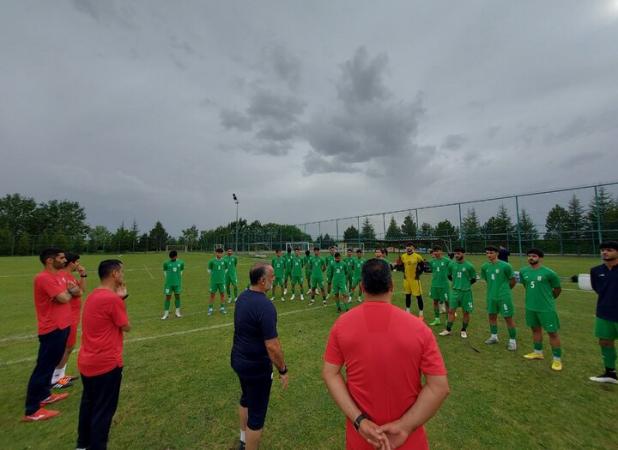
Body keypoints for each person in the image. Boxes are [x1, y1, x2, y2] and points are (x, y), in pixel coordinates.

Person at [322, 259, 449, 450]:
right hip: (408, 442)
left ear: (363, 287)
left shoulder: (342, 325)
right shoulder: (419, 329)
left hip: (363, 440)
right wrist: (405, 427)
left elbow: (330, 373)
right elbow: (439, 387)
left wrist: (360, 421)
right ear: (391, 285)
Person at [231, 263, 288, 450]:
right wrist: (283, 369)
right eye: (272, 276)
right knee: (256, 416)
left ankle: (243, 440)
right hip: (256, 368)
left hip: (238, 360)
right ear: (262, 281)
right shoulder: (265, 306)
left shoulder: (242, 297)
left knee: (246, 398)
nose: (274, 279)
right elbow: (272, 346)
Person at [76, 259, 130, 450]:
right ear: (114, 274)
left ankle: (82, 445)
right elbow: (126, 326)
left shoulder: (93, 295)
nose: (123, 275)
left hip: (87, 362)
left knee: (88, 406)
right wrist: (122, 299)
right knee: (103, 411)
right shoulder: (112, 299)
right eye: (121, 272)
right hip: (106, 364)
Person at [22, 248, 81, 422]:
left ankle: (45, 395)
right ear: (49, 260)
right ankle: (32, 410)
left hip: (63, 325)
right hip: (51, 328)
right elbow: (63, 298)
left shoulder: (60, 276)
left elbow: (76, 292)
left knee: (52, 364)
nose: (65, 260)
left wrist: (69, 292)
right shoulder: (43, 278)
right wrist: (69, 292)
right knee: (43, 368)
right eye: (61, 258)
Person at [519, 249, 563, 371]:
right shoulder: (523, 271)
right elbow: (526, 285)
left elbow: (557, 289)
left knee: (552, 333)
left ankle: (557, 360)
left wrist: (549, 299)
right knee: (535, 329)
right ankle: (538, 352)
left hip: (546, 308)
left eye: (534, 256)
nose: (531, 258)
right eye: (529, 256)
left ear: (540, 258)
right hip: (530, 306)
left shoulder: (549, 273)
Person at [52, 252, 88, 388]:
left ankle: (60, 375)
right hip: (67, 317)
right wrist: (76, 290)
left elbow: (82, 289)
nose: (78, 265)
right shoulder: (63, 277)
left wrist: (83, 275)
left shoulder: (71, 277)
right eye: (77, 262)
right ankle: (56, 379)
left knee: (68, 346)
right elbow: (78, 292)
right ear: (72, 263)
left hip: (73, 316)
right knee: (67, 347)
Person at [589, 241, 618, 384]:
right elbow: (598, 290)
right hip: (604, 313)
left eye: (609, 250)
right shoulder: (595, 271)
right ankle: (610, 373)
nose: (604, 252)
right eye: (602, 250)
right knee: (605, 342)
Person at [480, 246, 518, 351]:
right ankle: (494, 336)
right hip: (491, 296)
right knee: (492, 316)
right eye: (487, 253)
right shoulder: (484, 267)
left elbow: (513, 281)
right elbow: (488, 280)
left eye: (491, 253)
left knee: (508, 318)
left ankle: (512, 341)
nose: (489, 255)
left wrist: (505, 290)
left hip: (503, 296)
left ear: (497, 253)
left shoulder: (506, 266)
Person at [439, 248, 476, 338]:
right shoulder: (451, 264)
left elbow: (473, 279)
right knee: (451, 311)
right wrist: (456, 283)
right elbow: (449, 275)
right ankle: (448, 329)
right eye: (455, 254)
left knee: (466, 312)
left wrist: (465, 285)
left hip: (466, 292)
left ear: (463, 254)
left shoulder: (469, 266)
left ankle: (463, 330)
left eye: (458, 254)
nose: (456, 255)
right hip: (454, 291)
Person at [427, 246, 452, 326]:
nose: (435, 253)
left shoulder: (447, 261)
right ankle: (437, 319)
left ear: (441, 251)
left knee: (447, 302)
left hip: (444, 285)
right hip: (434, 285)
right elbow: (432, 271)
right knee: (435, 302)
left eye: (437, 251)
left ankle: (448, 319)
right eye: (434, 251)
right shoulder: (432, 262)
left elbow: (452, 271)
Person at [400, 243, 425, 318]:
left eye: (410, 248)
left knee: (418, 296)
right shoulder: (403, 256)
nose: (408, 249)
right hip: (406, 279)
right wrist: (402, 270)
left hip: (415, 280)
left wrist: (419, 273)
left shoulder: (417, 256)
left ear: (413, 248)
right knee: (407, 295)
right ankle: (407, 311)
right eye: (407, 248)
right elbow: (401, 266)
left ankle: (421, 313)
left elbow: (422, 265)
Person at [162, 250, 184, 320]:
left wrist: (177, 278)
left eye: (173, 257)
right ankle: (166, 314)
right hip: (169, 284)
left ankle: (177, 312)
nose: (172, 259)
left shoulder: (181, 263)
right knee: (168, 297)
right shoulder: (166, 263)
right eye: (171, 258)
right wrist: (169, 278)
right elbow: (165, 271)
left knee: (177, 296)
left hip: (177, 284)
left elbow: (181, 271)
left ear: (176, 256)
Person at [208, 248, 228, 315]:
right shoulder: (212, 261)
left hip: (222, 281)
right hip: (214, 281)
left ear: (222, 254)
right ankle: (210, 308)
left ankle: (222, 308)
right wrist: (214, 276)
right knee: (212, 295)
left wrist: (221, 275)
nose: (219, 254)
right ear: (216, 253)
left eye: (220, 253)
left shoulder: (224, 261)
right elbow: (209, 270)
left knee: (222, 294)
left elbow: (226, 269)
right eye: (218, 252)